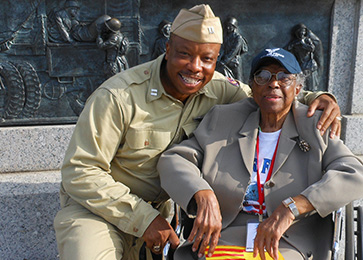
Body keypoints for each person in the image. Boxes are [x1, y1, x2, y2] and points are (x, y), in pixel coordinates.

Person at [54, 4, 341, 260]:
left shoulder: (218, 88)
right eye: (184, 54)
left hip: (165, 216)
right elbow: (81, 172)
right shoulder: (118, 97)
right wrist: (145, 219)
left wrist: (322, 98)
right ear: (167, 49)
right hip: (99, 211)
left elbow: (269, 92)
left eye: (207, 59)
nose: (195, 67)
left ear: (217, 59)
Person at [157, 48, 363, 260]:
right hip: (224, 236)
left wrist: (292, 207)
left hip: (288, 240)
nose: (273, 83)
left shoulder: (314, 124)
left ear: (298, 87)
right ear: (252, 87)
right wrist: (202, 194)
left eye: (284, 77)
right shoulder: (224, 119)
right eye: (263, 76)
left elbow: (354, 173)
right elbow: (175, 159)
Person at [217, 17, 248, 81]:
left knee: (238, 81)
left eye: (230, 26)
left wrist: (225, 61)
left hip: (235, 62)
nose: (228, 28)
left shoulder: (238, 38)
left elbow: (234, 51)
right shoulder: (226, 37)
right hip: (225, 61)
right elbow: (223, 48)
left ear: (234, 27)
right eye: (227, 26)